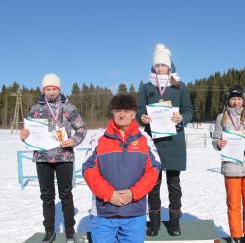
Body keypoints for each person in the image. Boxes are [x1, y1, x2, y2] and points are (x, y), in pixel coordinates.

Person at [82, 94, 161, 243]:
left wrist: (133, 193)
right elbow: (88, 169)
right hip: (104, 213)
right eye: (118, 110)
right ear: (112, 112)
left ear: (133, 114)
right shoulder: (99, 138)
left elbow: (154, 169)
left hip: (134, 213)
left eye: (126, 110)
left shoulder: (144, 138)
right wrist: (109, 194)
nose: (122, 114)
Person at [19, 73, 87, 243]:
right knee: (47, 196)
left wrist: (74, 140)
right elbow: (29, 132)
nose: (50, 92)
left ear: (59, 89)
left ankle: (70, 231)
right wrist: (24, 135)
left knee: (66, 195)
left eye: (54, 88)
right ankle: (49, 231)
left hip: (64, 156)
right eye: (47, 89)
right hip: (43, 158)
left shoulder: (69, 108)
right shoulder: (35, 109)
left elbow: (81, 128)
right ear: (43, 90)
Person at [137, 43, 193, 236]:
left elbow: (188, 110)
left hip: (174, 142)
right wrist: (141, 117)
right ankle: (154, 222)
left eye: (163, 65)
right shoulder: (147, 87)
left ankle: (175, 222)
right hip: (153, 143)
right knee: (152, 184)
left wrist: (182, 118)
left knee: (174, 184)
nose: (160, 68)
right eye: (157, 66)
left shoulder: (180, 87)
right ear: (153, 68)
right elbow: (139, 110)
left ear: (170, 67)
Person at [212, 86, 245, 243]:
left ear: (243, 100)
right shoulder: (222, 117)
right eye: (233, 99)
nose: (236, 102)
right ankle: (237, 236)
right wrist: (219, 143)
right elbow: (215, 140)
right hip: (231, 167)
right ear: (228, 100)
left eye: (239, 99)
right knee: (233, 204)